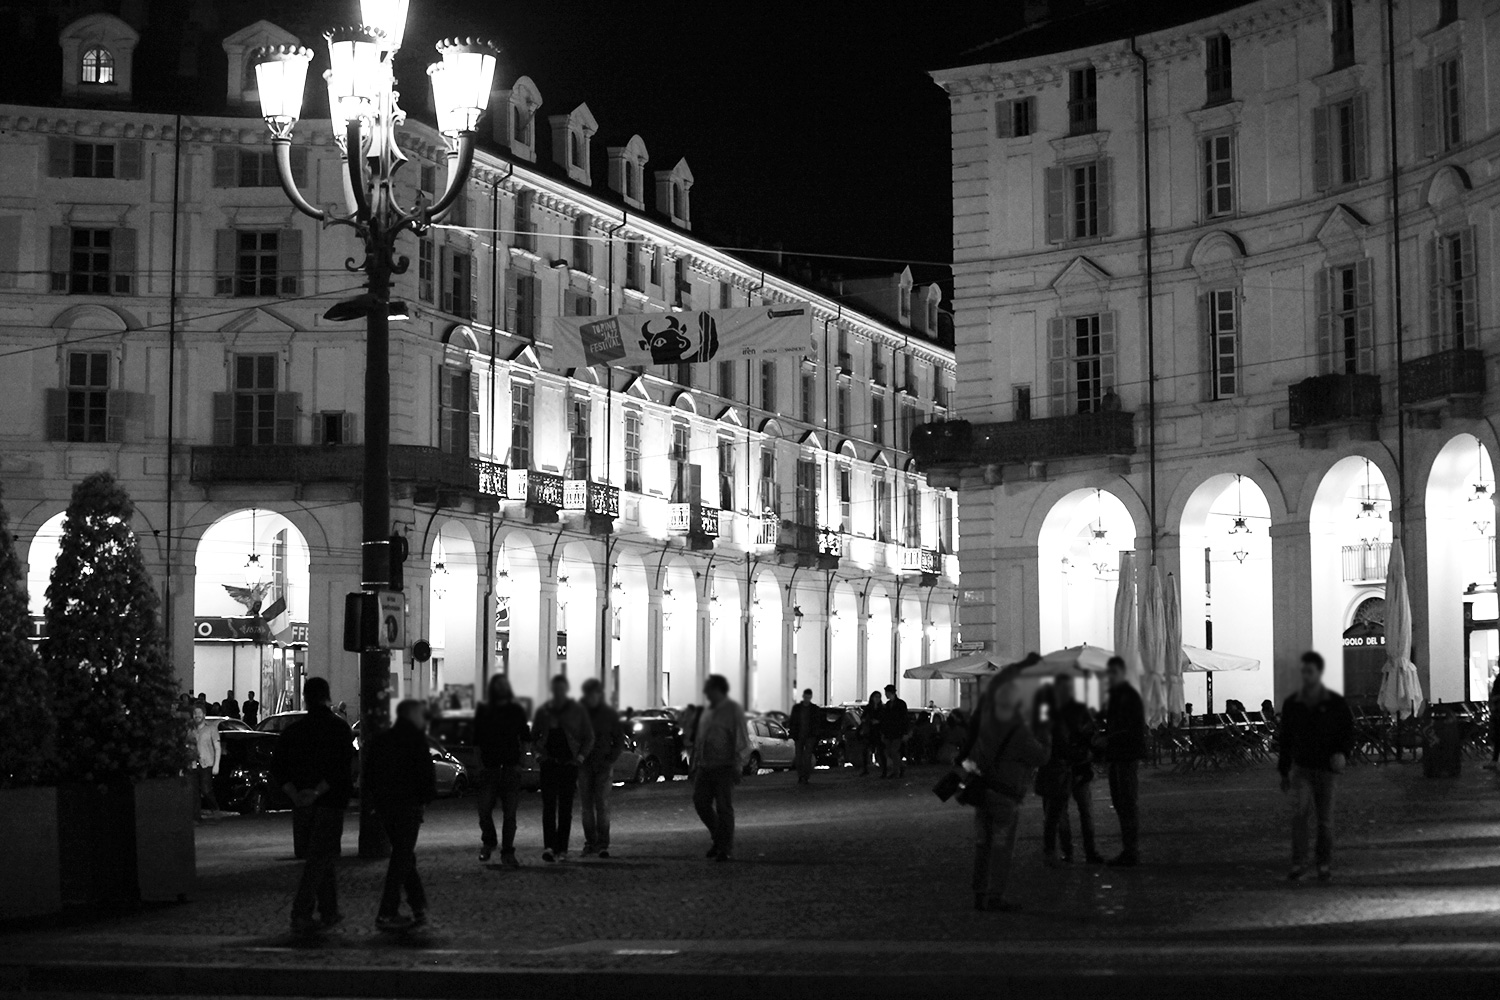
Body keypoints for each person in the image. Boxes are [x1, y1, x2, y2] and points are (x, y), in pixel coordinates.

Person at [272, 677, 355, 936]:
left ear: (306, 698)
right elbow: (345, 768)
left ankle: (329, 909)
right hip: (330, 801)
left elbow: (278, 769)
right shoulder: (339, 729)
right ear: (327, 697)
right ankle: (301, 912)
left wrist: (297, 795)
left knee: (319, 856)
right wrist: (319, 790)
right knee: (320, 858)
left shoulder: (293, 731)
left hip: (302, 804)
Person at [960, 670, 1048, 912]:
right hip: (1005, 794)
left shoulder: (989, 726)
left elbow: (974, 757)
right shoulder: (1018, 731)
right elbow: (1041, 756)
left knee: (982, 844)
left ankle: (979, 892)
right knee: (1001, 847)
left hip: (984, 791)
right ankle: (995, 896)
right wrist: (1044, 732)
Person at [1278, 651, 1355, 882]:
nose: (1305, 676)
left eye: (1309, 671)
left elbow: (1347, 731)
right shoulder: (1293, 704)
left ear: (1318, 673)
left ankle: (1323, 862)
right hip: (1302, 767)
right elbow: (1286, 738)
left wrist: (1342, 752)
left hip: (1326, 769)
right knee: (1300, 816)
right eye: (1303, 671)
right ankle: (1299, 862)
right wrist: (1284, 770)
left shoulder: (1335, 703)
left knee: (1324, 819)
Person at [367, 699, 436, 931]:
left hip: (387, 807)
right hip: (408, 806)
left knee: (404, 855)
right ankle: (388, 911)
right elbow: (426, 774)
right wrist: (425, 800)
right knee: (402, 857)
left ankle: (418, 907)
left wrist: (376, 800)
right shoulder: (416, 740)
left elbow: (370, 774)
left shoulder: (383, 739)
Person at [1036, 674, 1102, 866]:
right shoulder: (1073, 710)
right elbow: (1090, 736)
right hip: (1071, 767)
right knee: (1070, 813)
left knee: (1060, 813)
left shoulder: (1050, 711)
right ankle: (1084, 852)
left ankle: (1069, 853)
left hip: (1066, 768)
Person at [530, 674, 594, 863]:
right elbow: (533, 737)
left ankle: (562, 848)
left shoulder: (576, 711)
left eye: (561, 689)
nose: (558, 693)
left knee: (565, 808)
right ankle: (550, 847)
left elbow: (588, 737)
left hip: (568, 764)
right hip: (549, 763)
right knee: (549, 807)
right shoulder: (544, 711)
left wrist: (580, 758)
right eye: (555, 689)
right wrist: (539, 756)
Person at [688, 674, 749, 861]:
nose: (705, 692)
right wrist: (695, 762)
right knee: (700, 802)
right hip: (706, 766)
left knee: (724, 807)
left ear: (717, 690)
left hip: (724, 765)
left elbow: (741, 739)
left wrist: (738, 764)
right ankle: (719, 837)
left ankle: (725, 847)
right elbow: (701, 738)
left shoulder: (732, 710)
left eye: (708, 689)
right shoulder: (707, 711)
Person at [474, 674, 529, 866]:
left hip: (509, 767)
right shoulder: (484, 709)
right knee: (484, 810)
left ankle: (507, 851)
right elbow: (477, 739)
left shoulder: (516, 710)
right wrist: (479, 764)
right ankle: (489, 841)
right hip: (490, 767)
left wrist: (520, 762)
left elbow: (525, 737)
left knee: (510, 815)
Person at [1100, 656, 1146, 867]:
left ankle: (1131, 850)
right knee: (1122, 802)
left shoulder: (1126, 696)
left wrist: (1107, 738)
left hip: (1124, 755)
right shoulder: (1120, 695)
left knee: (1126, 802)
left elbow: (1128, 728)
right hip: (1120, 754)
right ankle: (1129, 849)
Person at [578, 678, 624, 858]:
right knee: (588, 806)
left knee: (600, 805)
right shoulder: (581, 713)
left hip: (602, 764)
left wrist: (610, 759)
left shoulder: (608, 714)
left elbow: (618, 740)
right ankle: (591, 842)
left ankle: (602, 843)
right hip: (585, 764)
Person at [188, 705, 221, 822]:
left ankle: (215, 809)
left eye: (199, 713)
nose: (197, 715)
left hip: (207, 763)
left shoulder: (211, 729)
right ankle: (196, 817)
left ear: (204, 714)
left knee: (206, 789)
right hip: (192, 764)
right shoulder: (190, 730)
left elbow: (217, 747)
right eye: (195, 713)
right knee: (194, 792)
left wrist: (216, 764)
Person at [788, 688, 818, 784]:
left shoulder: (812, 709)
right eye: (806, 697)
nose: (807, 699)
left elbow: (817, 723)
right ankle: (802, 776)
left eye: (808, 697)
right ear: (804, 696)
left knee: (806, 756)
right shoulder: (799, 709)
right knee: (800, 757)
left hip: (808, 735)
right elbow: (792, 721)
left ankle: (804, 776)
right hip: (800, 735)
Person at [880, 684, 910, 779]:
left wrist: (905, 732)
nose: (886, 695)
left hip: (897, 732)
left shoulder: (900, 704)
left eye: (886, 693)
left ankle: (896, 771)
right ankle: (900, 767)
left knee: (893, 751)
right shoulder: (889, 705)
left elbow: (904, 719)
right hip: (890, 732)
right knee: (890, 751)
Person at [858, 691, 884, 775]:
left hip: (878, 731)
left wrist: (878, 721)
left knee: (880, 750)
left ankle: (883, 769)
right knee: (865, 750)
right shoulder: (869, 707)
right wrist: (867, 721)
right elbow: (863, 718)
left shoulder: (882, 708)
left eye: (879, 697)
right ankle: (865, 768)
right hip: (869, 731)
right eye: (876, 697)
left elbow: (885, 719)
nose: (877, 699)